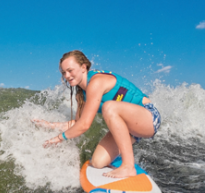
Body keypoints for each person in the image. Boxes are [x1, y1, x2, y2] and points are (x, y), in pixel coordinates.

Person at [33, 50, 161, 179]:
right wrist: (49, 125)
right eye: (63, 72)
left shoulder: (96, 82)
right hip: (128, 129)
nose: (67, 75)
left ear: (83, 67)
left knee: (109, 107)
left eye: (70, 70)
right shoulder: (81, 94)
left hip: (149, 118)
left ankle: (128, 166)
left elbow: (85, 125)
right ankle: (125, 154)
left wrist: (59, 138)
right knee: (97, 162)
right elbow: (77, 123)